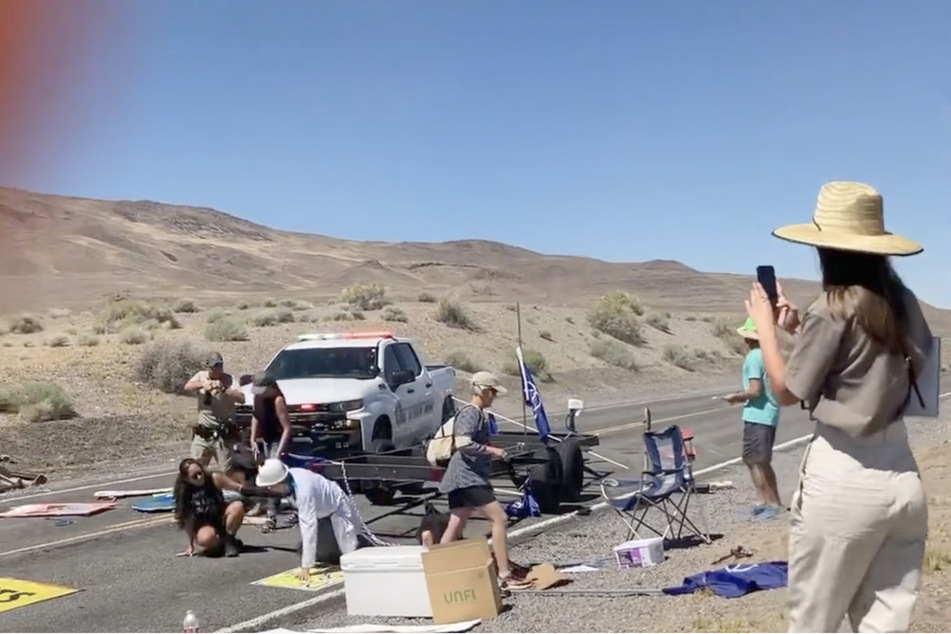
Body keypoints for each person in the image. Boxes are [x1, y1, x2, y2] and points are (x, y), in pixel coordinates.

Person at [744, 181, 933, 633]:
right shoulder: (901, 302)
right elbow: (862, 365)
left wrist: (767, 328)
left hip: (844, 479)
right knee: (883, 622)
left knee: (814, 622)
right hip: (902, 477)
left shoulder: (833, 306)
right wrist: (797, 328)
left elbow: (787, 390)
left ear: (826, 247)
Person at [437, 371, 531, 591]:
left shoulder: (473, 412)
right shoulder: (472, 413)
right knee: (500, 519)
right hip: (467, 477)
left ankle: (438, 570)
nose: (494, 398)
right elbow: (463, 443)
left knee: (456, 522)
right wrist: (492, 451)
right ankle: (504, 574)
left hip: (460, 476)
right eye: (493, 393)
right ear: (486, 391)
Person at [255, 458, 371, 583]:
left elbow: (308, 527)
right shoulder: (290, 480)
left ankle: (365, 549)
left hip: (337, 509)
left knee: (349, 556)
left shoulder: (304, 490)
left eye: (269, 487)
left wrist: (306, 567)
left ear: (277, 483)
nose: (269, 490)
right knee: (322, 553)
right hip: (320, 513)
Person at [720, 317, 782, 520]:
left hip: (759, 414)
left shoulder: (754, 357)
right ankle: (763, 501)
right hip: (764, 414)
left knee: (759, 461)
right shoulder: (767, 355)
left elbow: (755, 390)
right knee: (754, 460)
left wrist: (736, 397)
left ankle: (771, 503)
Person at [173, 458, 281, 558]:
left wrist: (266, 492)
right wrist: (190, 545)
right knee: (206, 539)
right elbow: (187, 518)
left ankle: (229, 539)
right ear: (186, 479)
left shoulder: (214, 478)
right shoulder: (184, 492)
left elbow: (239, 488)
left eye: (200, 473)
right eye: (194, 476)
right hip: (203, 523)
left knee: (237, 506)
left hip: (220, 516)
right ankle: (221, 544)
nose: (199, 477)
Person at [183, 352, 246, 475]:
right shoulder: (201, 376)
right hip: (203, 433)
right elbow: (187, 386)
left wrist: (224, 389)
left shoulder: (229, 379)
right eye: (214, 367)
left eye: (219, 366)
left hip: (222, 435)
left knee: (227, 470)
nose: (217, 369)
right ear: (208, 367)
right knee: (194, 467)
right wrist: (203, 384)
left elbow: (241, 398)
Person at [248, 372, 292, 528]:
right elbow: (256, 416)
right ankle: (265, 506)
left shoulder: (278, 400)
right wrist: (253, 438)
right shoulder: (259, 398)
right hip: (265, 439)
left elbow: (287, 428)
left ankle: (272, 515)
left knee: (275, 476)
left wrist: (279, 453)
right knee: (262, 474)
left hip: (277, 439)